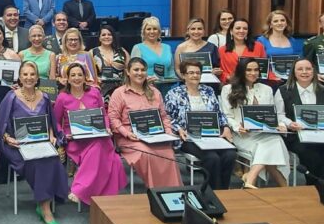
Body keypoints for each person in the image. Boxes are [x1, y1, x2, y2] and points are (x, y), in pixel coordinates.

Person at [0, 61, 68, 224]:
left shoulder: (44, 97)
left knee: (51, 157)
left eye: (32, 74)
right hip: (18, 145)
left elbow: (50, 121)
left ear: (37, 77)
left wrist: (51, 135)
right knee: (39, 161)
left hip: (41, 141)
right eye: (25, 74)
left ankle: (44, 201)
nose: (29, 77)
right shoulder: (11, 97)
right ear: (20, 77)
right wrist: (8, 139)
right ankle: (45, 208)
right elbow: (2, 126)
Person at [53, 62, 126, 204]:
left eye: (80, 75)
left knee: (103, 149)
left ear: (85, 77)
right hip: (75, 140)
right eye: (73, 75)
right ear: (67, 78)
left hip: (98, 135)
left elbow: (104, 114)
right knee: (108, 155)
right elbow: (55, 121)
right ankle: (91, 193)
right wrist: (63, 134)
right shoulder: (62, 97)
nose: (76, 78)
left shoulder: (94, 92)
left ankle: (80, 190)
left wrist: (106, 128)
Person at [108, 57, 181, 188]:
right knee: (147, 154)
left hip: (155, 136)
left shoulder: (155, 92)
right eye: (136, 70)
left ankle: (174, 192)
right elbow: (113, 119)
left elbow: (163, 116)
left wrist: (169, 132)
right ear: (128, 72)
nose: (139, 73)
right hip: (130, 139)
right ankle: (156, 192)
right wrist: (127, 134)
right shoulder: (119, 93)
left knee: (168, 153)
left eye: (143, 70)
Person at [165, 60, 237, 190]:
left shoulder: (208, 90)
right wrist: (178, 129)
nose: (195, 76)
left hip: (212, 135)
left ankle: (224, 190)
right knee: (212, 158)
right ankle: (213, 192)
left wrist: (225, 127)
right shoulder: (174, 93)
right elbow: (167, 116)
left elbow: (219, 113)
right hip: (188, 137)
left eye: (198, 73)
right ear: (183, 75)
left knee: (230, 154)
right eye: (191, 73)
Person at [275, 58, 324, 184]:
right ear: (294, 72)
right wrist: (290, 123)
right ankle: (315, 184)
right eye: (300, 69)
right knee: (310, 153)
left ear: (313, 71)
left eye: (308, 69)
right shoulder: (283, 91)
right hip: (296, 135)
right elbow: (279, 115)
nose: (304, 72)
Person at [220, 58, 289, 188]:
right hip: (241, 135)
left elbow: (271, 114)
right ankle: (283, 185)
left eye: (256, 70)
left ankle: (250, 178)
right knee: (274, 143)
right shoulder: (228, 89)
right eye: (249, 70)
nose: (253, 73)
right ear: (241, 71)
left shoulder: (267, 89)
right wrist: (237, 126)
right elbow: (226, 116)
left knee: (273, 140)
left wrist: (280, 125)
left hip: (264, 133)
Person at [257, 10, 304, 83]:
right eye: (275, 21)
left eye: (282, 20)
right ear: (270, 25)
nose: (280, 23)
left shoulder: (292, 40)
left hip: (289, 80)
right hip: (269, 80)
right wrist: (271, 76)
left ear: (286, 23)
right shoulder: (261, 40)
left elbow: (298, 59)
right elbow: (260, 63)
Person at [218, 18, 267, 83]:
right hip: (231, 85)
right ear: (231, 31)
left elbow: (263, 68)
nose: (241, 31)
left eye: (245, 29)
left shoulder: (258, 47)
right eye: (238, 28)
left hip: (254, 85)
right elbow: (221, 72)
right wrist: (229, 77)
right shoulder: (222, 50)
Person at [131, 16, 174, 83]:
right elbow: (134, 70)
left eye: (155, 29)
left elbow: (171, 69)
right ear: (144, 32)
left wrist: (172, 80)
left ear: (159, 31)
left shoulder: (167, 47)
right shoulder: (137, 48)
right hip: (146, 86)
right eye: (148, 29)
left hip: (166, 86)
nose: (152, 31)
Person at [92, 25, 129, 96]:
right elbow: (89, 75)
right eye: (103, 35)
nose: (106, 37)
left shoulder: (122, 51)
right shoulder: (92, 52)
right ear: (99, 38)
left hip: (121, 91)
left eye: (109, 34)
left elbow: (129, 70)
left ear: (113, 37)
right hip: (100, 92)